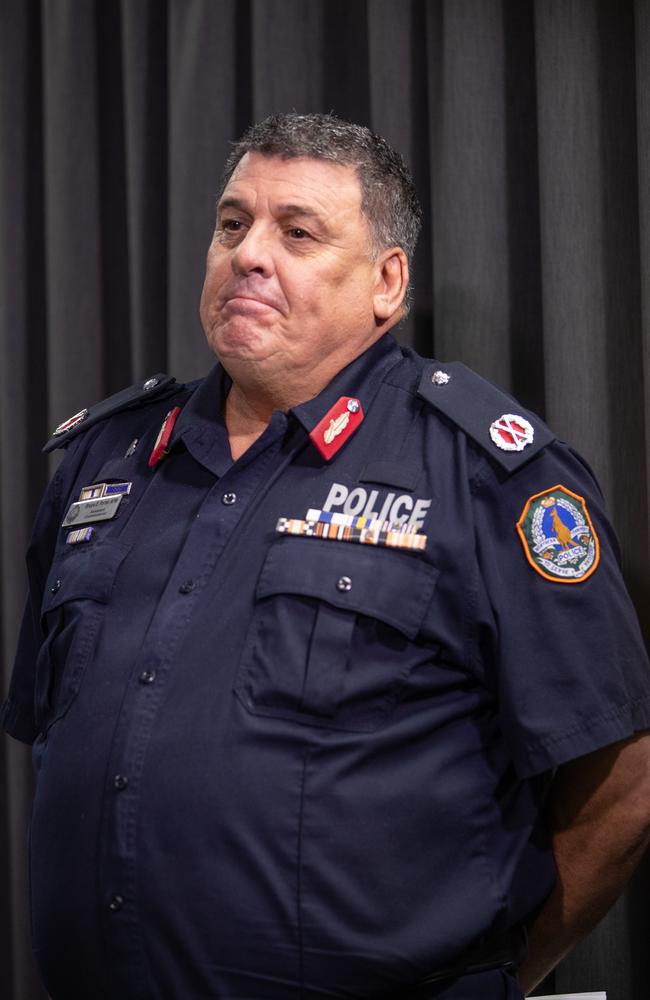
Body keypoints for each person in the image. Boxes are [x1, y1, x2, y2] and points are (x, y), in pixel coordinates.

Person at [3, 112, 650, 1000]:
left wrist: (498, 974)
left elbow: (618, 788)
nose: (248, 255)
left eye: (297, 233)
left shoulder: (485, 472)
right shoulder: (101, 459)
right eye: (233, 225)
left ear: (387, 283)